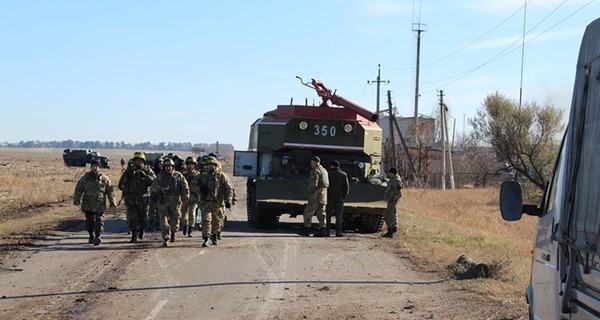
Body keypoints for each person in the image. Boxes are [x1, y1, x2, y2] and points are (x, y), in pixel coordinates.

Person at [73, 159, 116, 246]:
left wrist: (112, 202)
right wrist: (77, 200)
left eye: (97, 166)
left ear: (99, 167)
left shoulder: (105, 179)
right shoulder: (85, 178)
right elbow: (79, 189)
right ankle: (91, 235)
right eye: (93, 166)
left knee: (99, 221)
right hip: (88, 204)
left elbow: (110, 191)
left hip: (100, 204)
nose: (95, 168)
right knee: (90, 222)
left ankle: (98, 236)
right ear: (91, 167)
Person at [151, 158, 190, 247]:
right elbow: (153, 187)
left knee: (174, 221)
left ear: (173, 167)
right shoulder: (160, 176)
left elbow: (185, 188)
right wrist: (160, 189)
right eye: (166, 166)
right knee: (164, 221)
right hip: (163, 202)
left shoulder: (178, 176)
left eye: (170, 166)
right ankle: (166, 238)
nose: (168, 168)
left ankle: (173, 233)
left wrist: (185, 199)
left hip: (175, 202)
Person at [118, 152, 156, 243]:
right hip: (131, 198)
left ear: (143, 162)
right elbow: (121, 184)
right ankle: (134, 235)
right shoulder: (129, 171)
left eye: (140, 161)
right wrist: (129, 176)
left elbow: (154, 182)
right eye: (137, 161)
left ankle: (142, 229)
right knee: (131, 218)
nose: (138, 163)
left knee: (143, 217)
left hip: (143, 198)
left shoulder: (148, 170)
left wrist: (146, 176)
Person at [196, 156, 233, 247]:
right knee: (206, 220)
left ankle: (214, 235)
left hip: (218, 203)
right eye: (209, 165)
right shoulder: (202, 176)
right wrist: (201, 188)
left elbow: (229, 189)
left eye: (212, 165)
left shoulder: (222, 176)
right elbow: (192, 185)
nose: (210, 167)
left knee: (217, 222)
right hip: (206, 203)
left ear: (216, 166)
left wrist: (228, 200)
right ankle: (206, 238)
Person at [301, 156, 329, 237]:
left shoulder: (315, 171)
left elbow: (314, 184)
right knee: (321, 213)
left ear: (315, 163)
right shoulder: (324, 171)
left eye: (312, 163)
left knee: (307, 212)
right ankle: (323, 230)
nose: (311, 164)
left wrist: (310, 191)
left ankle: (306, 229)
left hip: (316, 195)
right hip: (324, 195)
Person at [326, 160, 349, 237]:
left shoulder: (328, 174)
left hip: (329, 197)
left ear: (332, 166)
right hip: (339, 197)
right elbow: (346, 187)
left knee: (328, 215)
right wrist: (343, 196)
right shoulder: (343, 175)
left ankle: (327, 231)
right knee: (339, 215)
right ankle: (338, 232)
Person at [180, 156, 200, 237]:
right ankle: (185, 225)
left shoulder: (197, 174)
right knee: (183, 213)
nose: (191, 166)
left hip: (194, 196)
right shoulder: (182, 173)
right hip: (184, 196)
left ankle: (191, 228)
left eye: (192, 164)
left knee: (192, 212)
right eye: (189, 164)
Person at [382, 167, 403, 238]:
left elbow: (399, 193)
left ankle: (393, 229)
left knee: (391, 214)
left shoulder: (397, 181)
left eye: (390, 173)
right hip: (390, 200)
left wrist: (394, 200)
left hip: (392, 200)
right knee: (387, 215)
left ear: (392, 173)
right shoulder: (392, 179)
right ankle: (390, 229)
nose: (388, 174)